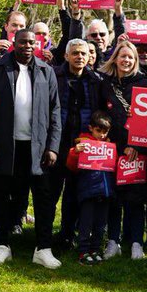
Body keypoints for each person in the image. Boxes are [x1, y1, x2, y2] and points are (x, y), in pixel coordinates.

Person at [0, 29, 62, 266]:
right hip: (6, 146)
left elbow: (55, 111)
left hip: (37, 148)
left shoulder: (46, 71)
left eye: (31, 43)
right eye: (23, 42)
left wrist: (53, 146)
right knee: (3, 196)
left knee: (43, 199)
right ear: (14, 43)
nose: (27, 46)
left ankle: (43, 249)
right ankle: (3, 245)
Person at [45, 39, 102, 253]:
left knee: (74, 193)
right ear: (67, 56)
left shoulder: (95, 80)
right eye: (75, 53)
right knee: (51, 191)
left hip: (83, 144)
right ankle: (44, 234)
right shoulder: (53, 75)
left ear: (89, 57)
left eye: (83, 54)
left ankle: (67, 235)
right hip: (57, 142)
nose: (79, 57)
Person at [99, 41, 147, 259]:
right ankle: (113, 241)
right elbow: (100, 112)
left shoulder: (144, 84)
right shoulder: (105, 84)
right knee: (114, 198)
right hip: (112, 148)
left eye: (131, 57)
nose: (126, 61)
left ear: (135, 60)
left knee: (135, 199)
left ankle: (137, 242)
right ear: (115, 59)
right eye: (123, 57)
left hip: (135, 150)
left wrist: (135, 145)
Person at [67, 110, 116, 265]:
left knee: (100, 224)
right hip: (88, 191)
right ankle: (83, 251)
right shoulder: (82, 143)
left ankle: (95, 249)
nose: (101, 135)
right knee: (86, 223)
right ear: (91, 128)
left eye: (104, 132)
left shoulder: (109, 145)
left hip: (105, 191)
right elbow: (71, 165)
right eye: (98, 131)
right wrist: (76, 152)